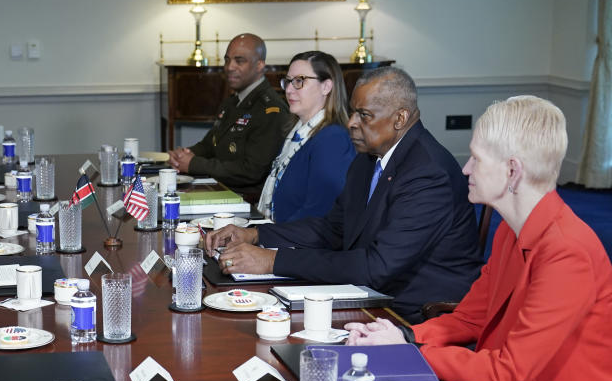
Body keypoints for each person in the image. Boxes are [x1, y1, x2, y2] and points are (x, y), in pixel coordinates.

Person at [344, 96, 612, 381]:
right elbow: (471, 317)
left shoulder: (567, 250)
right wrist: (401, 334)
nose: (466, 169)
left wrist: (408, 349)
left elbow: (510, 370)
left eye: (476, 159)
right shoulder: (512, 230)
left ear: (512, 171)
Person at [207, 67, 483, 322]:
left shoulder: (428, 174)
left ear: (400, 118)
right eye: (353, 112)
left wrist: (271, 261)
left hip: (412, 311)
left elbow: (378, 266)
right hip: (371, 293)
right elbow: (333, 228)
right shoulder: (370, 158)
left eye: (364, 115)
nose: (351, 123)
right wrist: (258, 235)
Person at [168, 33, 291, 203]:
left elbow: (251, 171)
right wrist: (184, 156)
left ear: (259, 65)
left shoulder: (270, 110)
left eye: (239, 61)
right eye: (227, 60)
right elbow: (210, 145)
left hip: (245, 200)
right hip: (219, 188)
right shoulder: (232, 102)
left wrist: (194, 164)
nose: (229, 67)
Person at [256, 50, 354, 222]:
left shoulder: (333, 139)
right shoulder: (296, 133)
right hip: (280, 236)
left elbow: (320, 213)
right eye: (288, 82)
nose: (289, 90)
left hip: (299, 245)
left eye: (299, 81)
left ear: (326, 86)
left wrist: (264, 237)